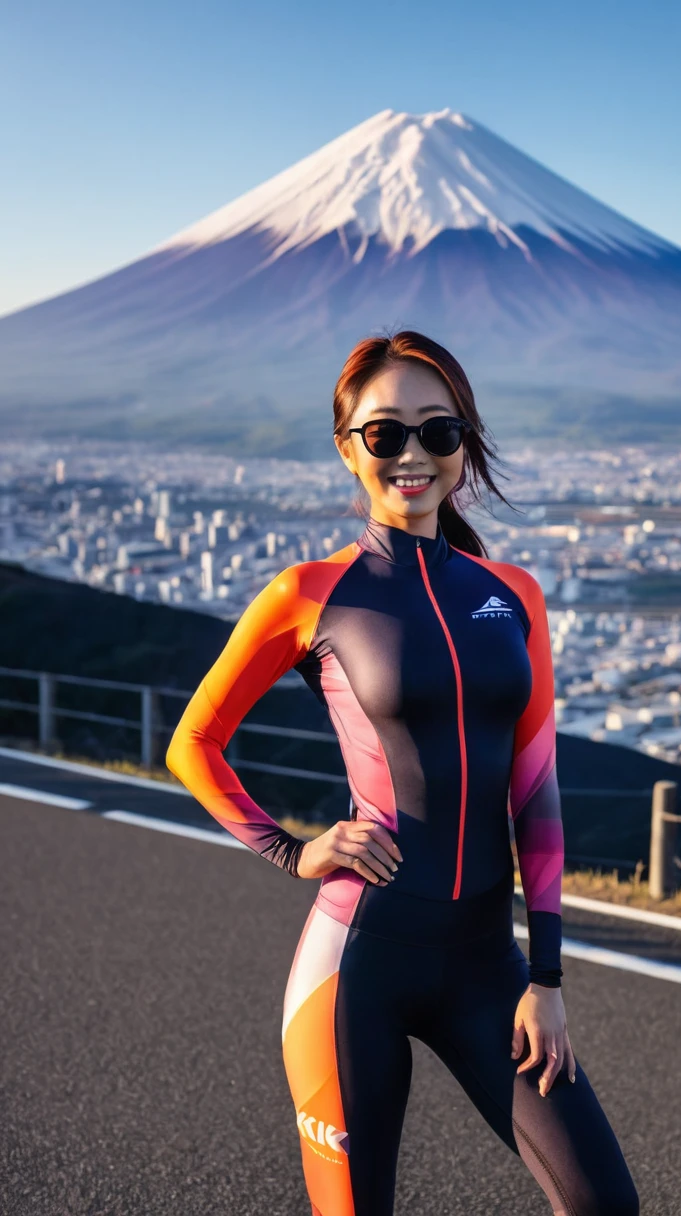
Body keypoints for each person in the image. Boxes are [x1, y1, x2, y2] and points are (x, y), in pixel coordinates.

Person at [166, 330, 640, 1216]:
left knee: (607, 1204)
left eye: (439, 431)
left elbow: (536, 798)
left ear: (465, 442)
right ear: (347, 446)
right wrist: (290, 851)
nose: (413, 455)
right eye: (385, 434)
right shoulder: (308, 594)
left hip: (488, 968)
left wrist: (548, 981)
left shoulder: (514, 595)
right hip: (357, 963)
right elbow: (192, 741)